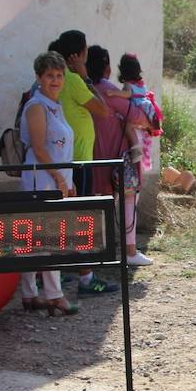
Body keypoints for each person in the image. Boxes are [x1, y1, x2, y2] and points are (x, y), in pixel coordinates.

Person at [50, 29, 117, 295]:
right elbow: (103, 110)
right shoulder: (74, 81)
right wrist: (86, 76)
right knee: (81, 219)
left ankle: (54, 273)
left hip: (61, 161)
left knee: (60, 218)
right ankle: (86, 277)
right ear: (77, 55)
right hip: (78, 161)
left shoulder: (50, 79)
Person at [19, 51, 79, 316]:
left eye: (59, 75)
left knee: (37, 238)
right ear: (39, 78)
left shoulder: (56, 105)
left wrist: (69, 179)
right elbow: (40, 148)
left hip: (56, 178)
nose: (55, 80)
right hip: (41, 180)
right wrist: (58, 178)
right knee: (48, 237)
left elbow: (62, 149)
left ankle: (30, 293)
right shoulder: (36, 106)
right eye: (49, 76)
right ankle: (54, 295)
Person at [85, 46, 150, 267]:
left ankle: (94, 254)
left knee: (96, 206)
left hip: (92, 158)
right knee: (129, 200)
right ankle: (130, 251)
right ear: (106, 67)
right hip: (117, 159)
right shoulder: (107, 90)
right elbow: (139, 115)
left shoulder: (84, 89)